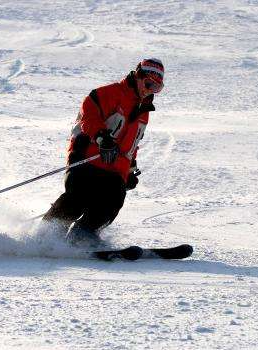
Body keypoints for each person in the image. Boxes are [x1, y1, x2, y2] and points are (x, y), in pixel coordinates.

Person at [41, 58, 165, 247]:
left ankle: (81, 238)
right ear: (138, 77)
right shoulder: (109, 94)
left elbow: (132, 144)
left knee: (112, 203)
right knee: (78, 198)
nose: (150, 90)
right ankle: (45, 237)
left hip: (115, 168)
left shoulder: (144, 111)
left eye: (156, 88)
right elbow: (88, 115)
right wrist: (102, 138)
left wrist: (130, 170)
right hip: (87, 157)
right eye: (149, 84)